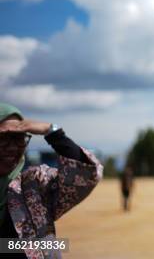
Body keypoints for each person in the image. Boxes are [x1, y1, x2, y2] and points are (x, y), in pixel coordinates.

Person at [0, 103, 103, 259]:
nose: (12, 147)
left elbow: (87, 174)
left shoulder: (33, 184)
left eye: (18, 138)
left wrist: (52, 132)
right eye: (3, 138)